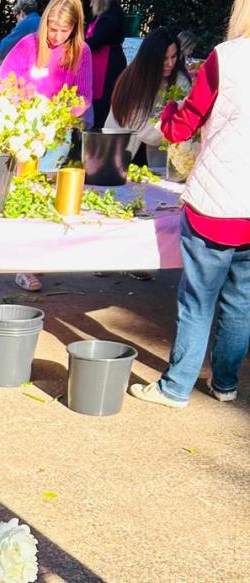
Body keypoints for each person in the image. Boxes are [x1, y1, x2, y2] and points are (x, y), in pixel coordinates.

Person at [129, 0, 250, 408]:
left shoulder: (227, 57)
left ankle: (176, 386)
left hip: (219, 200)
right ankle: (225, 383)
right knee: (241, 300)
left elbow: (183, 125)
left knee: (198, 298)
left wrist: (167, 113)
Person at [0, 0, 92, 292]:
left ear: (74, 29)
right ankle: (24, 266)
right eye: (52, 28)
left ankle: (41, 258)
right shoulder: (28, 45)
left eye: (64, 30)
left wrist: (60, 113)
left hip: (60, 136)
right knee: (26, 197)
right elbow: (4, 84)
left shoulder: (82, 53)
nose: (56, 36)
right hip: (26, 135)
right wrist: (26, 110)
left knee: (52, 200)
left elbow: (85, 97)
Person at [106, 28, 191, 162]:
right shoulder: (133, 81)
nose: (170, 63)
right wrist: (176, 129)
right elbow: (143, 129)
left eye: (174, 57)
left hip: (157, 159)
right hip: (122, 152)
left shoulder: (181, 81)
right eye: (164, 59)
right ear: (151, 59)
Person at [85, 0, 126, 129]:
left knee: (102, 104)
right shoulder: (102, 14)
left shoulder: (111, 15)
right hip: (98, 63)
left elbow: (96, 40)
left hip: (108, 65)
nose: (90, 4)